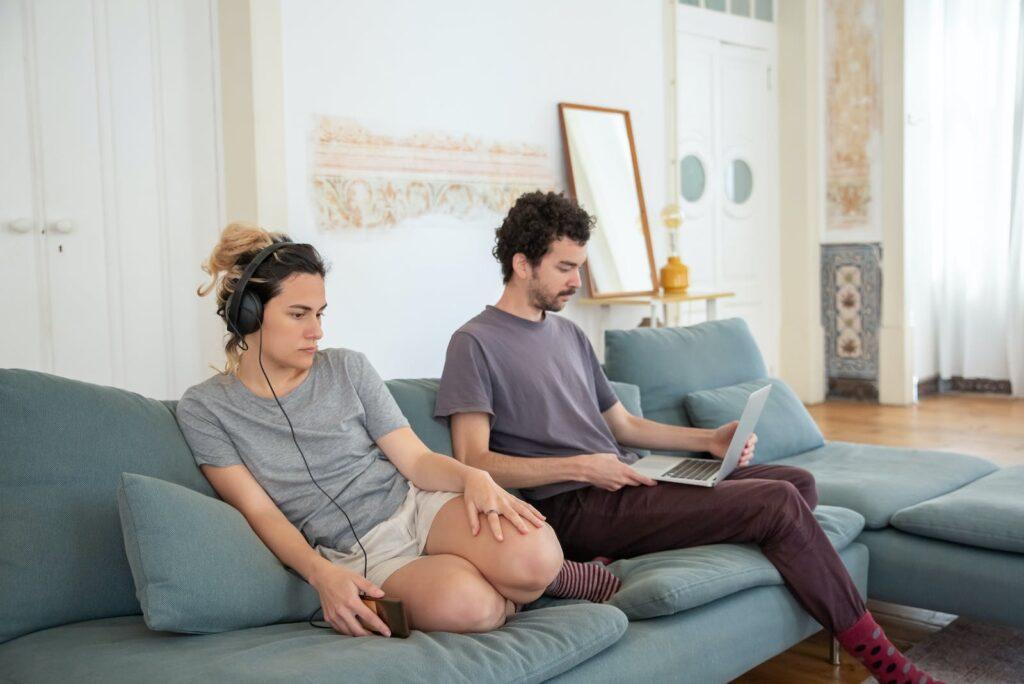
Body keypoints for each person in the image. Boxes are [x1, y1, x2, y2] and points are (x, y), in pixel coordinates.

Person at [435, 191, 940, 682]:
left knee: (799, 484)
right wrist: (582, 466)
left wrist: (707, 441)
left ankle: (625, 553)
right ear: (523, 264)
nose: (577, 280)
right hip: (576, 504)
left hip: (627, 479)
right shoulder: (475, 343)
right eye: (565, 267)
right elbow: (473, 458)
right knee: (779, 504)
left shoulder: (567, 334)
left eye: (580, 266)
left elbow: (625, 426)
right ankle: (888, 665)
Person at [175, 222, 612, 638]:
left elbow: (416, 460)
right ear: (249, 316)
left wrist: (472, 477)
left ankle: (544, 576)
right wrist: (321, 574)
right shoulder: (206, 409)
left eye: (321, 313)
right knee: (472, 608)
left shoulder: (347, 367)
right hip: (360, 554)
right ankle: (526, 587)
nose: (317, 331)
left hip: (416, 506)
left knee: (537, 557)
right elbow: (261, 512)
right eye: (298, 314)